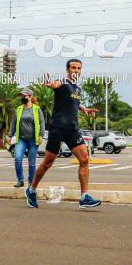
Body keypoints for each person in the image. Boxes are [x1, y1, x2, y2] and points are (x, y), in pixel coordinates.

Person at [25, 59, 102, 210]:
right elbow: (56, 85)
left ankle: (84, 197)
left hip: (72, 129)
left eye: (79, 68)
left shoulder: (77, 89)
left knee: (84, 159)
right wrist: (50, 84)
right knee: (48, 162)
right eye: (73, 68)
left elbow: (72, 102)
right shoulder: (62, 83)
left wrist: (84, 109)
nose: (76, 70)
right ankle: (31, 190)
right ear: (67, 70)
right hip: (57, 128)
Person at [7, 89, 45, 188]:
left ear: (30, 96)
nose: (23, 98)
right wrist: (10, 135)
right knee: (17, 159)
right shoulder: (19, 109)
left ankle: (31, 182)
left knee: (31, 163)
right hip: (22, 139)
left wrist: (41, 135)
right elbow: (13, 123)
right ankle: (20, 180)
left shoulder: (36, 109)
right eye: (22, 96)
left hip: (33, 139)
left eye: (25, 96)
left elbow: (42, 123)